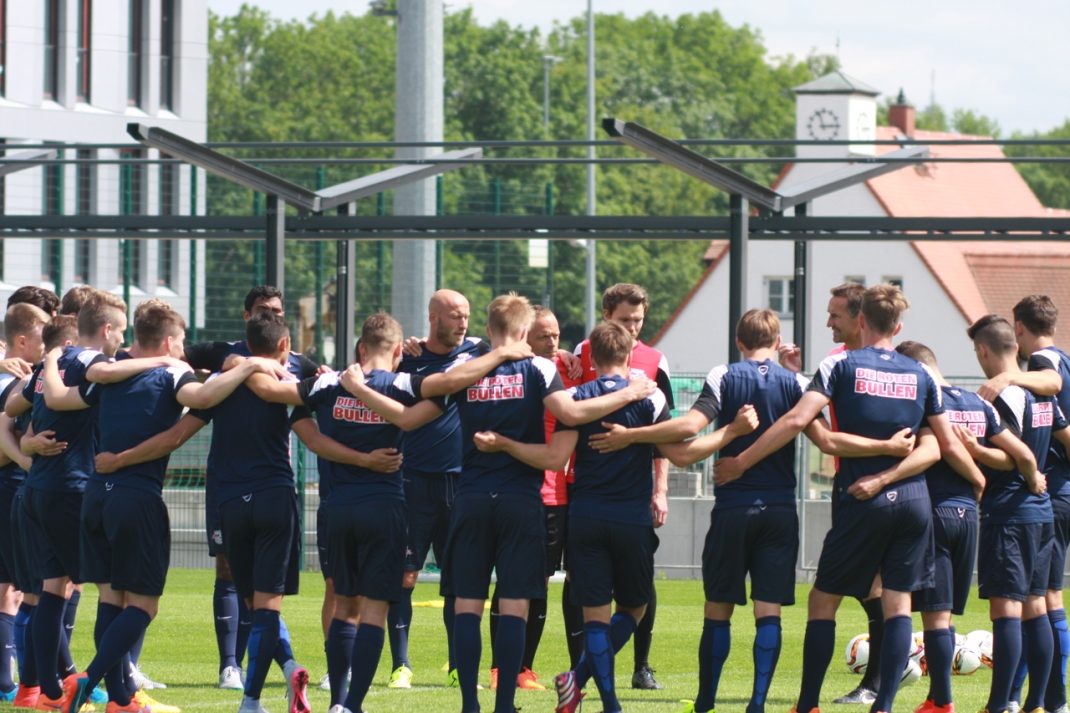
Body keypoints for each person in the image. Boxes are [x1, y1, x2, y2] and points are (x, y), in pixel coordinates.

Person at [339, 293, 658, 713]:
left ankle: (470, 703)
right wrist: (631, 391)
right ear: (524, 332)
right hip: (520, 499)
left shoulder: (465, 371)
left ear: (487, 330)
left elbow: (406, 418)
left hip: (471, 498)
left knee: (468, 603)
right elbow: (573, 416)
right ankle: (504, 704)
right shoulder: (539, 368)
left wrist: (358, 388)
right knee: (514, 606)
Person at [591, 308, 917, 713]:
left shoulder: (724, 376)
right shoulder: (798, 383)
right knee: (769, 612)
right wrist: (886, 447)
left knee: (718, 610)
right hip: (779, 510)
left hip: (733, 507)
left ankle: (707, 699)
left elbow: (690, 426)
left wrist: (635, 436)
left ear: (738, 341)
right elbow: (826, 440)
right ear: (778, 342)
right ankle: (758, 702)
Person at [244, 311, 536, 713]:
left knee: (344, 606)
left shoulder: (328, 382)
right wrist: (503, 355)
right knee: (375, 611)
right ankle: (354, 705)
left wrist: (251, 361)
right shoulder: (402, 384)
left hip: (337, 508)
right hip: (384, 507)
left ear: (361, 347)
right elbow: (447, 386)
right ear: (399, 350)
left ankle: (340, 702)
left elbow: (271, 394)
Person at [716, 284, 982, 713]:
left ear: (861, 320)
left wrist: (742, 461)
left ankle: (807, 705)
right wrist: (962, 478)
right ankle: (885, 705)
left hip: (862, 498)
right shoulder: (918, 373)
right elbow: (942, 444)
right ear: (897, 325)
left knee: (823, 600)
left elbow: (798, 421)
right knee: (898, 605)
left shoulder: (840, 366)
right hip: (915, 501)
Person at [52, 302, 281, 713]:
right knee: (144, 604)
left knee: (111, 598)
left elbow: (60, 398)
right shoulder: (172, 371)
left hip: (96, 494)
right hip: (136, 498)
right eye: (182, 340)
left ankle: (121, 699)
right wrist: (247, 367)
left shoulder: (109, 370)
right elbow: (203, 395)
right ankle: (87, 679)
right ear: (171, 341)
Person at [183, 285, 318, 692]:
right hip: (237, 486)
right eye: (263, 310)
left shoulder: (297, 371)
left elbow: (328, 389)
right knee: (247, 586)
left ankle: (269, 675)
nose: (269, 315)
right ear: (247, 317)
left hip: (262, 490)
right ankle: (235, 667)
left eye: (276, 310)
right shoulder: (223, 363)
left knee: (258, 595)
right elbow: (170, 357)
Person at [2, 291, 127, 712]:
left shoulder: (40, 371)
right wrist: (163, 363)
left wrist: (24, 452)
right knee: (111, 590)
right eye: (120, 332)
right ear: (102, 331)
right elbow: (57, 400)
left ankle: (47, 693)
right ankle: (118, 694)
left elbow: (6, 414)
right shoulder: (89, 365)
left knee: (49, 591)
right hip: (70, 490)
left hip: (35, 489)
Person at [897, 340, 1037, 713]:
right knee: (946, 613)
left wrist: (976, 476)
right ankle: (1001, 699)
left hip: (935, 511)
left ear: (916, 368)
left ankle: (939, 699)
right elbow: (1015, 456)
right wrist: (1017, 471)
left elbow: (942, 448)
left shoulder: (925, 403)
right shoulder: (978, 404)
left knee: (932, 614)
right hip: (968, 518)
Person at [966, 314, 1070, 713]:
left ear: (984, 350)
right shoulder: (1043, 393)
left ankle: (998, 705)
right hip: (1042, 514)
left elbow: (1011, 458)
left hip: (1010, 511)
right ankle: (1038, 702)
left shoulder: (1003, 396)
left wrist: (974, 449)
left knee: (1007, 608)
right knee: (1036, 606)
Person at [385, 289, 486, 689]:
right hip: (414, 482)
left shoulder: (479, 352)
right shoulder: (408, 358)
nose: (462, 322)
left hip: (462, 483)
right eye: (455, 315)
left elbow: (515, 342)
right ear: (433, 317)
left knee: (460, 581)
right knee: (404, 576)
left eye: (466, 314)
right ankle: (401, 665)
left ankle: (458, 665)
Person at [574, 283, 671, 690]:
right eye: (626, 321)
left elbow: (557, 436)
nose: (633, 328)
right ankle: (578, 677)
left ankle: (596, 682)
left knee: (593, 610)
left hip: (586, 509)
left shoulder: (574, 396)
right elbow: (675, 442)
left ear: (593, 357)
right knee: (635, 602)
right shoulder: (649, 398)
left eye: (638, 320)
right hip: (627, 514)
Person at [488, 306, 580, 690]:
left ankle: (523, 666)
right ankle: (499, 668)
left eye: (557, 335)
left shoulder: (559, 370)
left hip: (556, 494)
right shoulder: (518, 373)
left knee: (540, 582)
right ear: (526, 336)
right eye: (544, 335)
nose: (553, 342)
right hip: (522, 489)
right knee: (512, 581)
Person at [0, 304, 49, 701]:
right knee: (24, 589)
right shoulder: (14, 381)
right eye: (42, 333)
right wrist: (24, 453)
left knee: (17, 588)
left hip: (18, 486)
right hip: (14, 488)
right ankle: (42, 680)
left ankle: (19, 681)